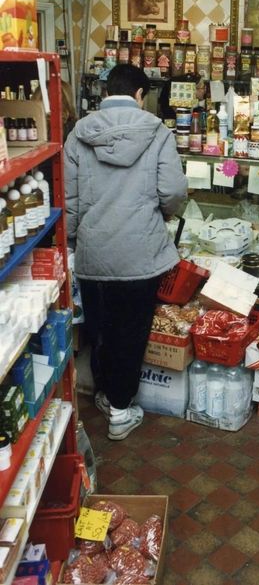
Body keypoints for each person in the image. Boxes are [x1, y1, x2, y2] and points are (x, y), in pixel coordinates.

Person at [64, 64, 188, 440]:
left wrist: (72, 242)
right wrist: (165, 213)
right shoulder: (158, 134)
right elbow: (173, 191)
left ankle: (104, 394)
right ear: (139, 94)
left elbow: (69, 201)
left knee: (100, 330)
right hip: (141, 254)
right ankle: (121, 409)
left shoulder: (77, 136)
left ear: (106, 92)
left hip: (93, 253)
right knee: (131, 332)